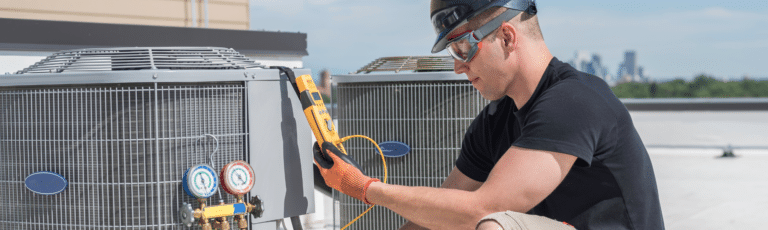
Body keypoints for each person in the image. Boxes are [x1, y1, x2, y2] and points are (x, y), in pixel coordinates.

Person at [313, 0, 665, 229]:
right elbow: (436, 221)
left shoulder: (575, 101)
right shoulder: (496, 120)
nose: (457, 68)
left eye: (462, 48)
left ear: (508, 37)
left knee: (493, 226)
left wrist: (362, 187)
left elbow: (481, 209)